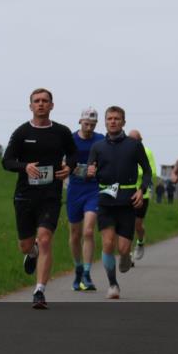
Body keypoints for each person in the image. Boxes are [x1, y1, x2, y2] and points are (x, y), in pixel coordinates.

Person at [1, 88, 77, 309]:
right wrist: (25, 166)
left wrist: (69, 167)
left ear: (51, 105)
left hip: (50, 195)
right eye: (37, 101)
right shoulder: (22, 132)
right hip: (25, 195)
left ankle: (39, 291)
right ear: (31, 106)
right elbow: (7, 161)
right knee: (25, 245)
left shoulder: (62, 132)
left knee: (44, 239)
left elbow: (73, 154)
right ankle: (31, 252)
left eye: (45, 101)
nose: (41, 104)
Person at [86, 107, 152, 299]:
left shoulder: (134, 145)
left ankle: (125, 256)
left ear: (123, 122)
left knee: (123, 248)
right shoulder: (97, 147)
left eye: (116, 118)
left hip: (127, 202)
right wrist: (88, 172)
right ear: (105, 122)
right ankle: (113, 284)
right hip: (105, 201)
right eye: (109, 118)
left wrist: (141, 190)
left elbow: (147, 171)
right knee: (107, 243)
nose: (113, 121)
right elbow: (89, 172)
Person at [66, 108, 104, 291]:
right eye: (86, 124)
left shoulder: (100, 139)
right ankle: (78, 268)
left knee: (88, 231)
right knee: (75, 234)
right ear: (80, 121)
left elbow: (107, 161)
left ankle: (87, 274)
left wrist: (98, 170)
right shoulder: (70, 139)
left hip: (93, 189)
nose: (89, 128)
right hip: (75, 190)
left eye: (92, 125)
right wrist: (81, 170)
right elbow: (62, 163)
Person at [127, 129, 158, 263]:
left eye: (136, 140)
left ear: (140, 140)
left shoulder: (147, 152)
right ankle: (128, 255)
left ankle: (140, 242)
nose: (133, 143)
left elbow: (152, 172)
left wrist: (135, 172)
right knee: (126, 224)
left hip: (142, 193)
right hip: (126, 192)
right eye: (130, 140)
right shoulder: (124, 151)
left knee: (137, 224)